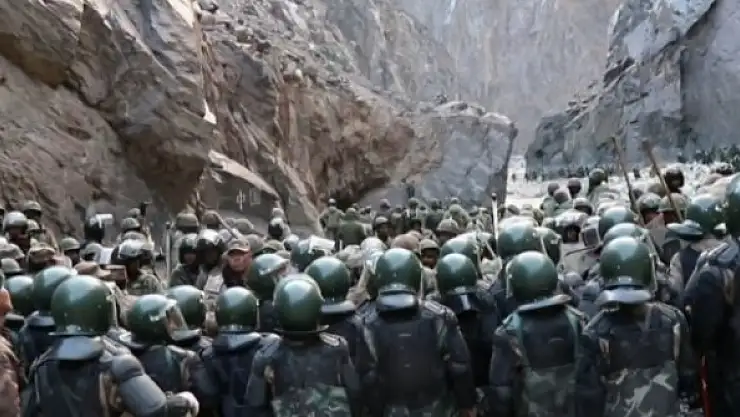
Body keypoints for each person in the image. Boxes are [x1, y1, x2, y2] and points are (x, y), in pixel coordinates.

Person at [22, 275, 201, 417]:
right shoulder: (118, 364)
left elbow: (27, 410)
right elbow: (157, 409)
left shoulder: (41, 365)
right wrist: (183, 401)